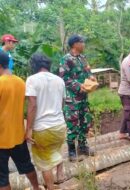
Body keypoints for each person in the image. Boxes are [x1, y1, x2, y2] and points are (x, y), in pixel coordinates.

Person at [25, 53, 67, 189]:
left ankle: (50, 186)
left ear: (34, 65)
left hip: (42, 128)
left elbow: (32, 105)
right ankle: (60, 174)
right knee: (55, 148)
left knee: (45, 163)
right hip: (60, 126)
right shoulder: (59, 80)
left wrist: (29, 129)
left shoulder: (32, 80)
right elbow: (62, 104)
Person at [0, 51, 40, 190]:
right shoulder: (20, 82)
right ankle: (36, 187)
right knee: (27, 165)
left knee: (2, 178)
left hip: (1, 139)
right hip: (18, 135)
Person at [59, 34, 95, 162]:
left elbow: (88, 71)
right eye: (82, 42)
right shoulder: (66, 59)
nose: (84, 44)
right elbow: (64, 77)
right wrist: (78, 86)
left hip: (84, 97)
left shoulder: (83, 58)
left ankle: (83, 147)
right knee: (72, 124)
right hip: (72, 99)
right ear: (75, 44)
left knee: (84, 122)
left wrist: (91, 77)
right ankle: (72, 151)